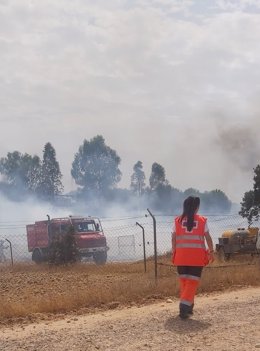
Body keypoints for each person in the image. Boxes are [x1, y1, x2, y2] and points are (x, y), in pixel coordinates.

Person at [172, 196, 214, 319]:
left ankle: (189, 308)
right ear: (197, 207)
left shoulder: (177, 221)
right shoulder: (202, 220)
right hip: (196, 258)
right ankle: (184, 308)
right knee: (192, 282)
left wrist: (174, 252)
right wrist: (211, 251)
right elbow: (208, 237)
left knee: (185, 283)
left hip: (180, 258)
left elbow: (173, 239)